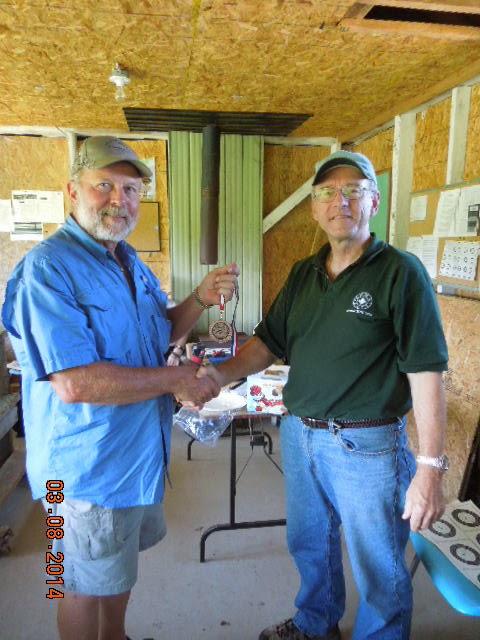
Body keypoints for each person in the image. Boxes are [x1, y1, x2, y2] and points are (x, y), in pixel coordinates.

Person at [199, 150, 449, 640]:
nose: (341, 202)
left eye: (354, 190)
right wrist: (217, 375)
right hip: (300, 434)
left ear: (373, 202)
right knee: (309, 543)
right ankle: (316, 624)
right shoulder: (303, 274)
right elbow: (268, 343)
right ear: (314, 208)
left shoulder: (401, 273)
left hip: (368, 447)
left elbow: (426, 374)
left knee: (379, 564)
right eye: (327, 193)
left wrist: (430, 469)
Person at [1, 135, 239, 640]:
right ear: (72, 191)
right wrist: (177, 380)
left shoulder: (130, 262)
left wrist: (199, 298)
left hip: (132, 460)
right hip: (79, 474)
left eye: (130, 190)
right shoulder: (47, 269)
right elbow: (74, 383)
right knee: (72, 584)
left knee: (114, 571)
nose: (119, 200)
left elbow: (160, 332)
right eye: (104, 185)